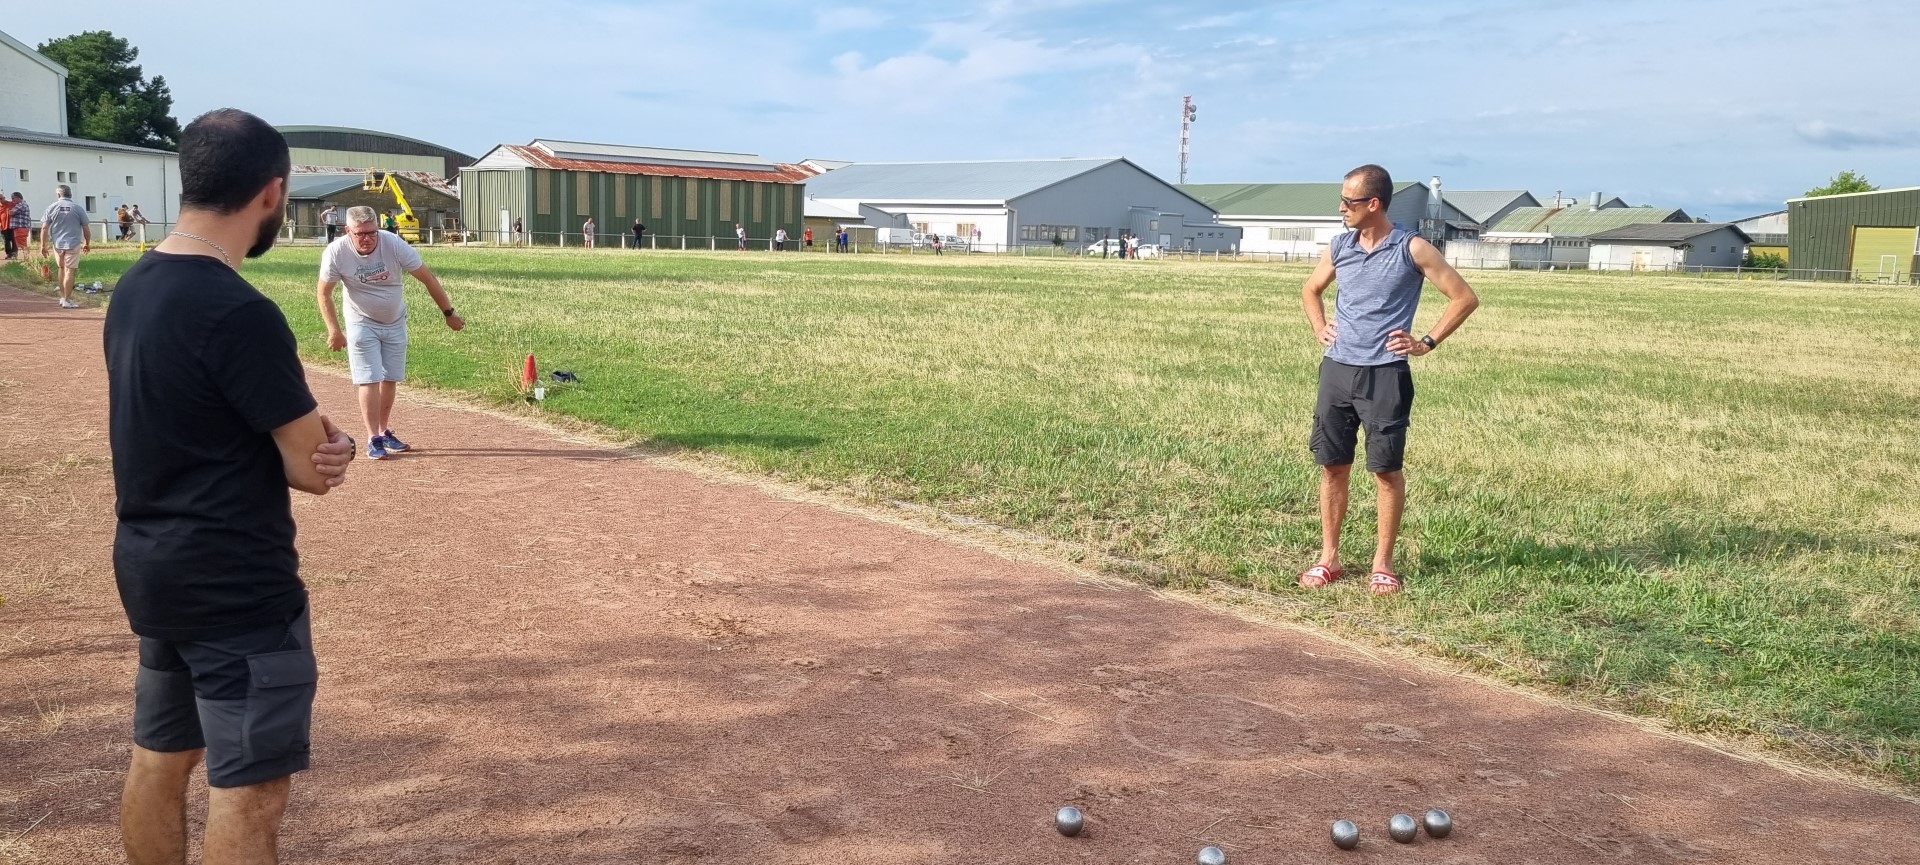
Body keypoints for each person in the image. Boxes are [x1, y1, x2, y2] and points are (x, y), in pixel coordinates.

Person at [105, 106, 356, 865]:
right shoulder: (237, 310)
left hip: (154, 567)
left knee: (161, 755)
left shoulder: (135, 287)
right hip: (234, 582)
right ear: (272, 192)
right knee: (248, 788)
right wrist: (329, 443)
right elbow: (307, 468)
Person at [1298, 164, 1479, 596]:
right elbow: (1311, 290)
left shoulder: (1412, 248)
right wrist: (1319, 326)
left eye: (1349, 201)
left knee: (1385, 470)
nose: (1341, 208)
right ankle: (1329, 559)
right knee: (1333, 466)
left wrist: (1426, 342)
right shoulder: (1340, 246)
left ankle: (1382, 564)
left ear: (1373, 204)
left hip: (1386, 375)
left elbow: (1464, 297)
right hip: (1337, 370)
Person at [317, 205, 465, 460]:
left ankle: (383, 431)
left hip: (395, 320)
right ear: (347, 231)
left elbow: (427, 277)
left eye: (372, 232)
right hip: (361, 321)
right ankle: (372, 437)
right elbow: (324, 293)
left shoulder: (393, 244)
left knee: (390, 378)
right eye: (360, 233)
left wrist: (449, 314)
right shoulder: (336, 252)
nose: (367, 238)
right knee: (369, 378)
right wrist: (334, 331)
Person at [39, 185, 91, 308]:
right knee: (70, 270)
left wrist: (43, 245)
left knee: (61, 268)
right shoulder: (77, 208)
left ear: (58, 195)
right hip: (73, 243)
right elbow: (86, 228)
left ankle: (63, 297)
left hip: (57, 244)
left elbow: (45, 227)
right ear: (70, 194)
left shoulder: (52, 207)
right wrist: (87, 243)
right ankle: (67, 299)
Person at [8, 193, 28, 260]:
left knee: (22, 245)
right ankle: (26, 259)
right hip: (20, 228)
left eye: (13, 198)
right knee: (22, 244)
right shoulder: (21, 205)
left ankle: (27, 259)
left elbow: (11, 212)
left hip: (20, 227)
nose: (12, 200)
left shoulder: (21, 205)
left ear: (18, 197)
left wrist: (9, 210)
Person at [0, 194, 14, 260]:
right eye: (1, 199)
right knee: (6, 241)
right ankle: (8, 254)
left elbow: (19, 206)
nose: (2, 200)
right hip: (3, 227)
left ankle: (14, 253)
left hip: (12, 225)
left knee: (14, 240)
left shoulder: (10, 203)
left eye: (3, 198)